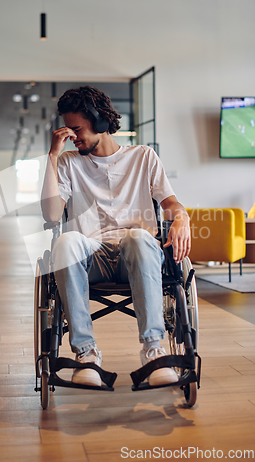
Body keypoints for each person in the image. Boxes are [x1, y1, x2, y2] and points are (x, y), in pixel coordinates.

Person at [41, 86, 191, 388]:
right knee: (65, 240)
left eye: (77, 129)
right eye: (69, 130)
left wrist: (183, 219)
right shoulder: (70, 162)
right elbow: (52, 215)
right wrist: (53, 157)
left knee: (137, 236)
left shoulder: (143, 156)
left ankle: (153, 351)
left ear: (99, 122)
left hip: (136, 255)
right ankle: (86, 354)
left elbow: (171, 204)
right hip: (90, 257)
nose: (73, 137)